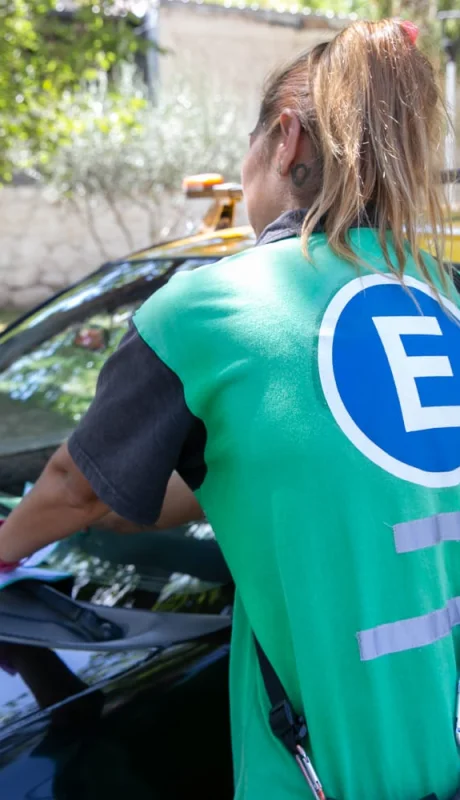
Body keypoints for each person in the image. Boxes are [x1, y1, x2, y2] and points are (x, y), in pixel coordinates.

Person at [0, 17, 459, 799]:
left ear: (284, 140)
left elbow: (74, 482)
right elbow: (304, 476)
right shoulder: (439, 296)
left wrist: (7, 547)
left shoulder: (214, 306)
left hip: (326, 771)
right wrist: (127, 501)